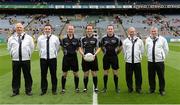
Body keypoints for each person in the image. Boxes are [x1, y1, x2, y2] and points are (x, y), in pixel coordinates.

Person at [7, 22, 34, 97]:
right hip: (15, 60)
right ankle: (15, 91)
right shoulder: (11, 38)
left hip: (26, 59)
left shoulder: (29, 37)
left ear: (23, 28)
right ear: (15, 29)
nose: (19, 29)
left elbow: (32, 47)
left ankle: (28, 90)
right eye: (17, 27)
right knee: (15, 76)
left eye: (20, 27)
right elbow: (9, 48)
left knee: (27, 75)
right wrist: (13, 54)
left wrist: (28, 54)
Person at [37, 24, 60, 95]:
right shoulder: (40, 38)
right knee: (43, 75)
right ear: (43, 30)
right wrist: (42, 54)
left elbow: (57, 47)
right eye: (46, 29)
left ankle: (54, 89)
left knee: (53, 74)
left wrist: (54, 54)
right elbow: (39, 47)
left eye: (49, 29)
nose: (47, 30)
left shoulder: (55, 38)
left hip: (52, 59)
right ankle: (44, 90)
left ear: (51, 30)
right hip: (43, 59)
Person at [145, 27, 169, 96]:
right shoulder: (148, 39)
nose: (153, 32)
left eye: (155, 31)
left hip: (159, 61)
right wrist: (149, 56)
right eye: (152, 31)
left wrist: (162, 57)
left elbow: (166, 49)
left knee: (161, 76)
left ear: (157, 31)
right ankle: (152, 89)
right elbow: (146, 49)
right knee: (151, 76)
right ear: (150, 32)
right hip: (150, 61)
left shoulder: (162, 39)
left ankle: (162, 90)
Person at [100, 25, 122, 93]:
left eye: (111, 29)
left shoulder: (117, 38)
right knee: (105, 72)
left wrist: (117, 53)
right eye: (109, 29)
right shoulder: (103, 38)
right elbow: (101, 46)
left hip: (114, 57)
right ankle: (105, 87)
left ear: (113, 30)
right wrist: (104, 52)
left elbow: (120, 46)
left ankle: (116, 87)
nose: (110, 30)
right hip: (106, 57)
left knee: (115, 73)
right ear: (107, 30)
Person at [79, 24, 101, 93]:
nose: (89, 30)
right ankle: (85, 88)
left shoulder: (96, 39)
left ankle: (96, 87)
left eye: (90, 29)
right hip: (85, 58)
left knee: (94, 73)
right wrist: (83, 54)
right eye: (88, 29)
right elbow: (80, 48)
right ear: (86, 30)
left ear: (92, 30)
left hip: (93, 58)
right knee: (86, 73)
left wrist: (95, 54)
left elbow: (99, 48)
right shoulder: (82, 39)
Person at [123, 27, 144, 93]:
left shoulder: (139, 41)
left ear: (135, 32)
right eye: (130, 31)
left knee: (138, 76)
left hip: (137, 61)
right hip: (128, 61)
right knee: (128, 76)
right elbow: (124, 51)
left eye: (133, 31)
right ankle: (130, 88)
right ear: (128, 32)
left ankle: (138, 88)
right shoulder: (125, 41)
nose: (132, 33)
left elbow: (142, 50)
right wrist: (127, 57)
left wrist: (139, 56)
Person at [60, 25, 80, 94]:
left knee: (76, 74)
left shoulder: (77, 39)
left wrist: (75, 52)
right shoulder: (64, 39)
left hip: (74, 58)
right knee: (64, 74)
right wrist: (65, 52)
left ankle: (77, 88)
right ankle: (63, 89)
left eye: (71, 29)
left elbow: (78, 48)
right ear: (67, 30)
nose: (70, 30)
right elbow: (62, 47)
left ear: (73, 30)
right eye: (69, 29)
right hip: (66, 58)